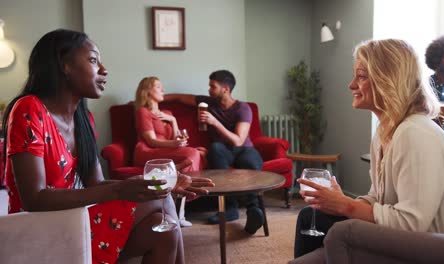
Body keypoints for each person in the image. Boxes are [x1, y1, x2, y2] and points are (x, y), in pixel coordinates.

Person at [2, 29, 214, 264]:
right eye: (93, 60)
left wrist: (165, 184)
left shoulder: (83, 118)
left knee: (164, 228)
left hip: (72, 218)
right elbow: (34, 199)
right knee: (160, 202)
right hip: (37, 227)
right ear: (65, 65)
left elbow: (97, 183)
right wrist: (125, 190)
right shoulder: (28, 109)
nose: (104, 70)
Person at [290, 39, 444, 261]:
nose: (351, 85)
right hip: (410, 237)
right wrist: (340, 201)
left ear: (388, 79)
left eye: (362, 76)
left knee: (339, 231)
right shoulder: (385, 131)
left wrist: (347, 205)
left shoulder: (416, 133)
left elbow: (411, 224)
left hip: (433, 247)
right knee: (310, 216)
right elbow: (378, 198)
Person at [165, 70, 265, 235]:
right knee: (215, 148)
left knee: (251, 162)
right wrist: (156, 99)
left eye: (213, 86)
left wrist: (214, 122)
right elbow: (179, 97)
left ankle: (254, 210)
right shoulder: (207, 102)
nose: (209, 89)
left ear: (225, 89)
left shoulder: (243, 108)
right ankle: (230, 208)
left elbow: (238, 140)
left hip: (244, 149)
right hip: (223, 150)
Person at [134, 76, 208, 227]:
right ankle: (180, 208)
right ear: (147, 90)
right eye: (158, 86)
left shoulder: (167, 112)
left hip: (167, 150)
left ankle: (178, 209)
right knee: (192, 154)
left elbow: (177, 138)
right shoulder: (143, 112)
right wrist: (175, 143)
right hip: (148, 151)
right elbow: (151, 141)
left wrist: (173, 121)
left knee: (198, 152)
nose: (163, 90)